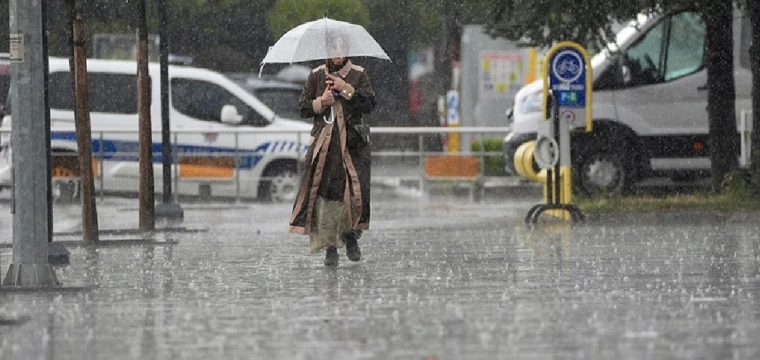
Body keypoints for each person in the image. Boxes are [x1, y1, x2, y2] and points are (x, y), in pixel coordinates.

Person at [288, 32, 377, 266]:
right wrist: (322, 102)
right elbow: (303, 108)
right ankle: (329, 247)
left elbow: (369, 104)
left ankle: (350, 236)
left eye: (342, 47)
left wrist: (346, 88)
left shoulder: (358, 74)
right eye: (333, 47)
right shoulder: (317, 76)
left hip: (352, 148)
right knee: (325, 196)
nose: (338, 53)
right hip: (325, 149)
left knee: (352, 196)